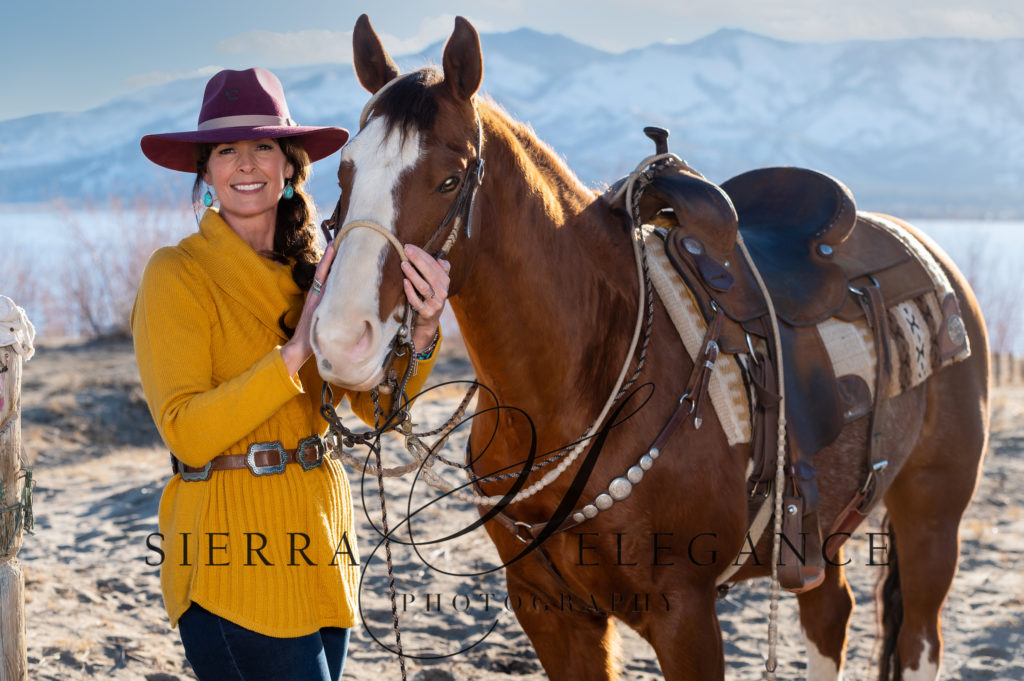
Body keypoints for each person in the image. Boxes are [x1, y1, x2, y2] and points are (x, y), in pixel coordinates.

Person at [132, 67, 448, 680]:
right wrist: (295, 351)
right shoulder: (176, 273)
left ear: (289, 166)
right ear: (206, 172)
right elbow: (186, 432)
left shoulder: (318, 270)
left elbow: (377, 412)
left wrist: (424, 331)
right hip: (229, 555)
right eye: (226, 150)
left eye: (262, 147)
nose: (245, 164)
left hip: (322, 543)